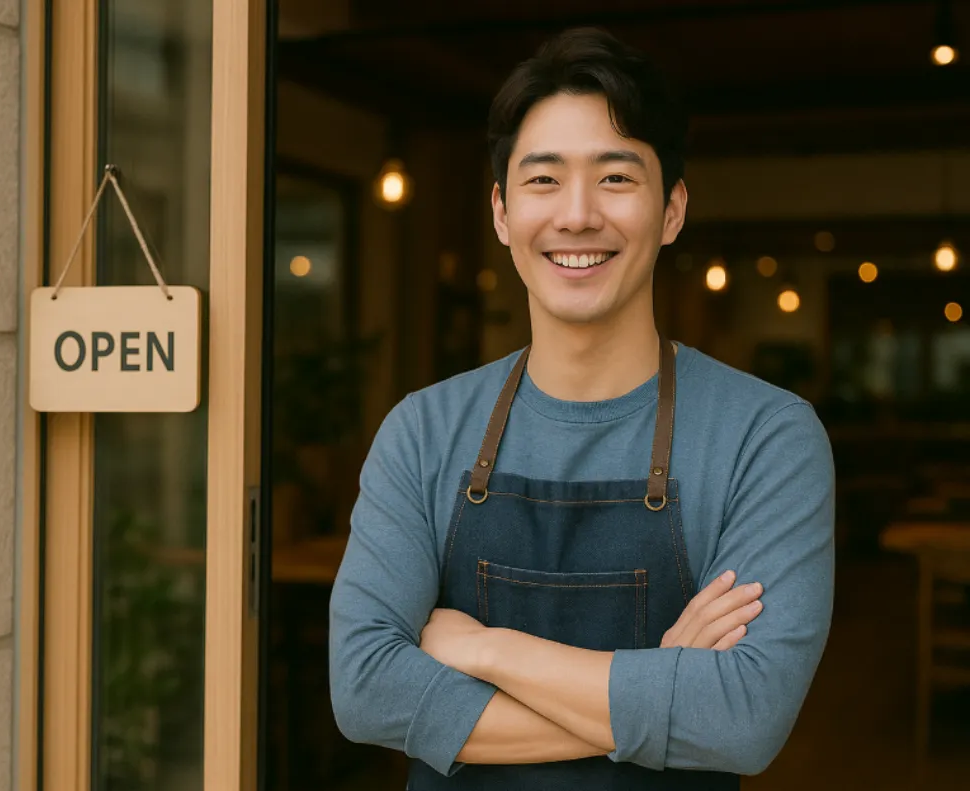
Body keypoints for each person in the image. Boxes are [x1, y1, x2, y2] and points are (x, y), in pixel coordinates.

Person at [328, 26, 835, 790]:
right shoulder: (423, 431)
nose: (576, 215)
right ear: (501, 213)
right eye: (542, 180)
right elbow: (366, 688)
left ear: (672, 210)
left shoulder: (764, 436)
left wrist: (484, 649)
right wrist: (662, 691)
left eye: (616, 178)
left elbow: (741, 718)